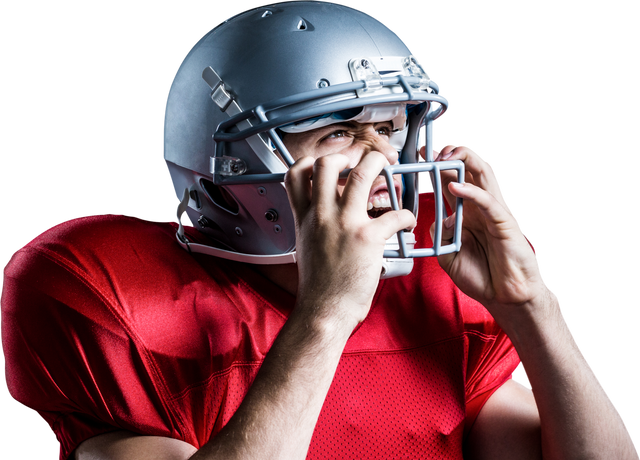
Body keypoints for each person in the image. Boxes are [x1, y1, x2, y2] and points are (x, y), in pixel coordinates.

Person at [1, 1, 637, 459]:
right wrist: (325, 316)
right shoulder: (106, 293)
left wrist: (534, 309)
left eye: (390, 127)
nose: (383, 159)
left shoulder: (431, 285)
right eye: (339, 131)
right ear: (233, 163)